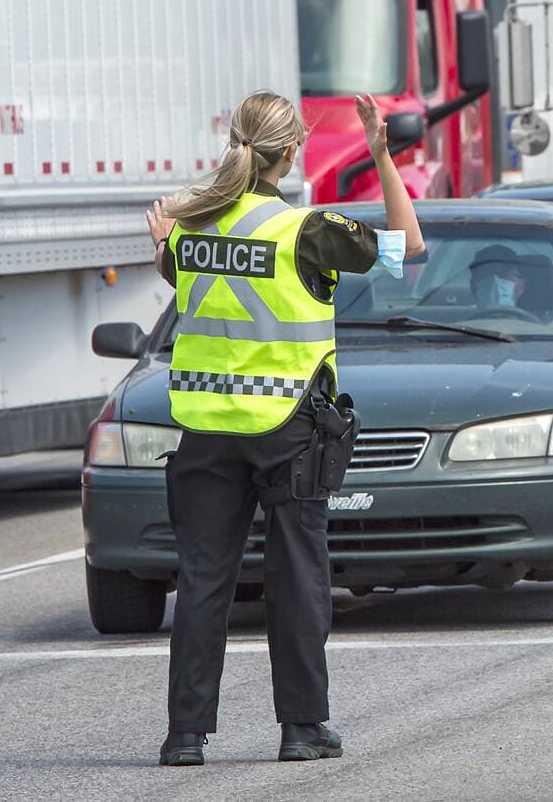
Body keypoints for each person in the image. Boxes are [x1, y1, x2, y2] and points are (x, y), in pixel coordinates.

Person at [146, 90, 421, 768]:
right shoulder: (304, 229)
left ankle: (186, 735)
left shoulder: (190, 228)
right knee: (297, 574)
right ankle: (301, 728)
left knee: (203, 576)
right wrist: (381, 154)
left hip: (206, 427)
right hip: (287, 424)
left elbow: (176, 273)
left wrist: (163, 241)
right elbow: (407, 246)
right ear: (292, 150)